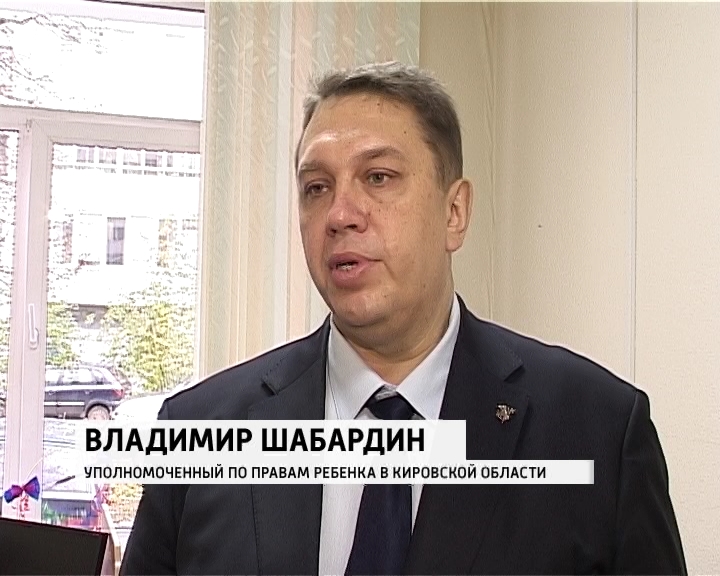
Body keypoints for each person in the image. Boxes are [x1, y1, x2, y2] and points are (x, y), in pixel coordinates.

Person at [121, 62, 686, 575]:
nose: (340, 214)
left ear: (454, 212)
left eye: (378, 177)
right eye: (316, 188)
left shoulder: (599, 431)